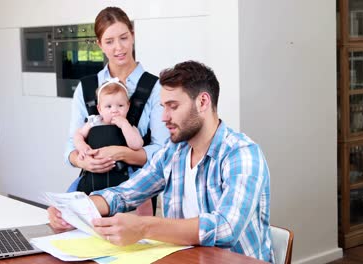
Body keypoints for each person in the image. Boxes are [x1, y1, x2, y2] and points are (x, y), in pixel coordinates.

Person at [50, 61, 273, 262]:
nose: (164, 117)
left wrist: (145, 227)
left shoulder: (241, 154)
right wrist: (71, 210)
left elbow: (225, 227)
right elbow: (126, 193)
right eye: (163, 107)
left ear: (203, 102)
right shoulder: (174, 152)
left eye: (173, 106)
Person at [65, 7, 169, 215]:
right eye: (109, 41)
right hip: (92, 190)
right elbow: (70, 145)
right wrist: (84, 160)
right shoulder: (86, 88)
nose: (118, 48)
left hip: (137, 195)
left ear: (133, 35)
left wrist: (121, 153)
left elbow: (163, 152)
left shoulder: (156, 88)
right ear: (99, 44)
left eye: (123, 38)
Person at [73, 78, 144, 194]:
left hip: (122, 176)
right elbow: (78, 134)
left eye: (120, 105)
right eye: (109, 106)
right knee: (72, 192)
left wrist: (124, 125)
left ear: (128, 106)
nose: (114, 111)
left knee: (142, 191)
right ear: (99, 109)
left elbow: (137, 145)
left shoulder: (129, 126)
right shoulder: (94, 122)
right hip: (93, 175)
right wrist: (82, 146)